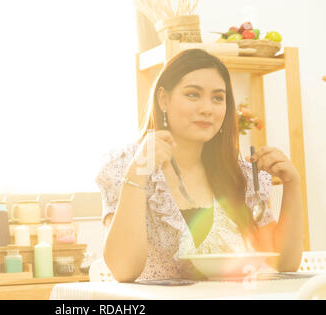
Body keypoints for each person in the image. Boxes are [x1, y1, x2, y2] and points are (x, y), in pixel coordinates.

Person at [95, 49, 304, 282]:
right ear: (164, 99)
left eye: (217, 98)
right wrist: (136, 175)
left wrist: (292, 184)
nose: (207, 108)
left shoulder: (238, 173)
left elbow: (285, 263)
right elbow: (123, 270)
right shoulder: (125, 166)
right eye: (193, 95)